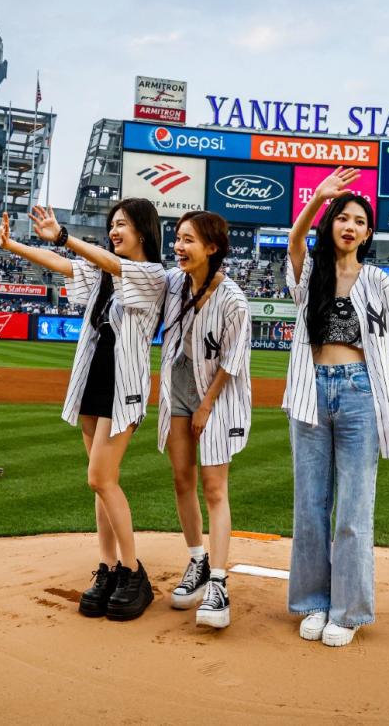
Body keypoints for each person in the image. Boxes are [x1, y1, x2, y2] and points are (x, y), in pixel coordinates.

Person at [0, 201, 165, 621]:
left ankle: (132, 572)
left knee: (100, 477)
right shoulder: (106, 271)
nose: (114, 230)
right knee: (99, 482)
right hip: (93, 377)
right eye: (111, 224)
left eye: (122, 224)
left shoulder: (151, 274)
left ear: (143, 231)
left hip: (122, 387)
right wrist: (13, 245)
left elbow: (99, 259)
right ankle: (107, 568)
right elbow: (65, 264)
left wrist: (63, 235)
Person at [284, 167, 389, 648]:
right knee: (310, 506)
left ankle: (348, 611)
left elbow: (384, 351)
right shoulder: (311, 271)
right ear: (330, 224)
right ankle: (313, 603)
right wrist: (316, 198)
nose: (350, 226)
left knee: (354, 508)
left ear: (368, 233)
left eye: (359, 221)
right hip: (310, 388)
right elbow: (295, 245)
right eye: (342, 218)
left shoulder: (378, 281)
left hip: (358, 391)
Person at [157, 211, 251, 629]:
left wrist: (208, 404)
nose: (179, 246)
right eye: (178, 238)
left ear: (211, 248)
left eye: (188, 239)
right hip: (178, 382)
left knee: (214, 487)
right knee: (182, 478)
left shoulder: (233, 298)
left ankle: (218, 581)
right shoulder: (174, 282)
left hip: (217, 392)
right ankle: (197, 560)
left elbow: (234, 359)